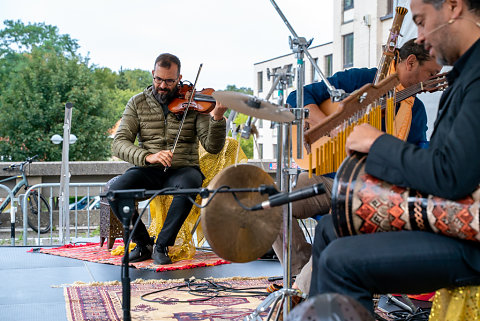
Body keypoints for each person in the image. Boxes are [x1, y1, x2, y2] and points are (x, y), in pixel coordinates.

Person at [309, 0, 480, 315]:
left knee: (340, 261)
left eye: (421, 20)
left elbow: (451, 175)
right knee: (330, 230)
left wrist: (377, 143)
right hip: (451, 217)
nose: (421, 35)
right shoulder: (467, 73)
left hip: (468, 238)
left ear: (453, 7)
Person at [272, 38, 442, 293]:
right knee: (272, 204)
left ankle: (300, 290)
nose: (431, 79)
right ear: (410, 62)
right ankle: (302, 270)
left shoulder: (415, 111)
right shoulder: (361, 80)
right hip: (327, 178)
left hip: (367, 190)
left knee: (341, 221)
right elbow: (299, 95)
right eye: (431, 73)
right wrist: (328, 127)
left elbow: (419, 152)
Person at [108, 53, 227, 265]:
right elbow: (119, 143)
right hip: (149, 168)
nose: (163, 85)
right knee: (115, 191)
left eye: (169, 81)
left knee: (191, 183)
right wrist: (148, 156)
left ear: (179, 78)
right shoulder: (137, 103)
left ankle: (162, 245)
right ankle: (143, 242)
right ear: (153, 74)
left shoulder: (194, 103)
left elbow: (213, 147)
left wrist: (217, 119)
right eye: (159, 79)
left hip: (183, 168)